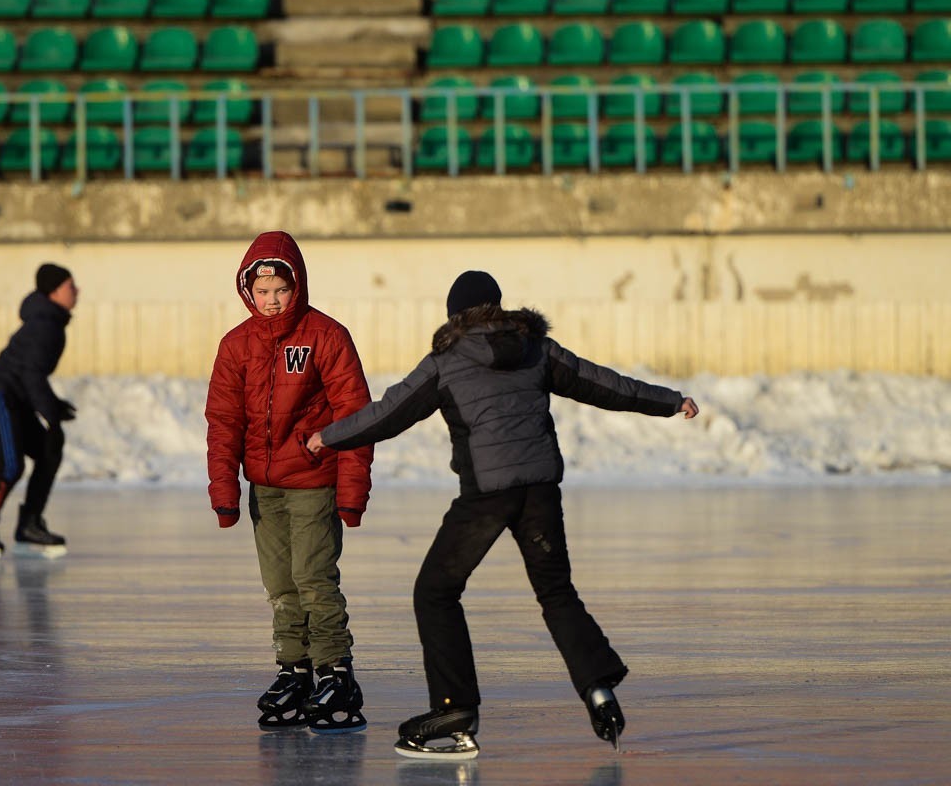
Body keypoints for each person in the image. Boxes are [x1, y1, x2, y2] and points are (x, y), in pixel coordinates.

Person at [306, 270, 699, 759]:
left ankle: (454, 708)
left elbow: (390, 412)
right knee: (556, 592)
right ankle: (598, 689)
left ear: (455, 314)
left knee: (436, 591)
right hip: (539, 492)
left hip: (486, 495)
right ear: (497, 306)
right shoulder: (535, 348)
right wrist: (669, 401)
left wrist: (330, 436)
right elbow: (604, 383)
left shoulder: (446, 360)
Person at [205, 230, 374, 734]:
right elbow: (223, 421)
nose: (272, 301)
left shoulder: (326, 335)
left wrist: (351, 494)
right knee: (280, 585)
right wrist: (224, 491)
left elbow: (355, 416)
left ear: (295, 286)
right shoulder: (236, 345)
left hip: (315, 482)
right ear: (247, 292)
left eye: (280, 290)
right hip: (266, 489)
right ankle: (294, 671)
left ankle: (335, 672)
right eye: (262, 293)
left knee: (314, 580)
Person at [0, 263, 80, 563]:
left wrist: (53, 408)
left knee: (50, 450)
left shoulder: (49, 321)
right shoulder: (44, 325)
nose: (77, 292)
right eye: (70, 286)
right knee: (11, 465)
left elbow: (32, 375)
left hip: (16, 396)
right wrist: (50, 413)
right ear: (55, 291)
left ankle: (30, 524)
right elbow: (30, 375)